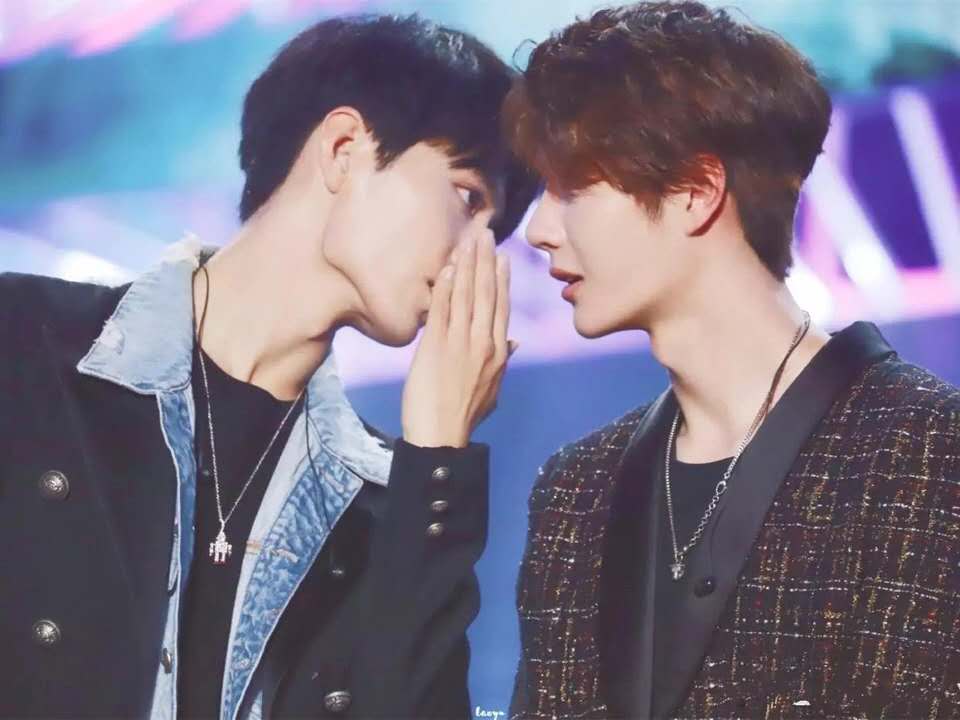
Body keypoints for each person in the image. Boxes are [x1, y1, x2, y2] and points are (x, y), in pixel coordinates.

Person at [0, 13, 536, 719]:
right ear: (344, 149)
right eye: (468, 198)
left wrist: (438, 455)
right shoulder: (25, 343)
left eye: (495, 233)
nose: (479, 257)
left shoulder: (381, 505)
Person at [503, 2, 960, 718]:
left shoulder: (924, 451)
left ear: (696, 191)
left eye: (573, 189)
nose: (538, 229)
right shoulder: (574, 491)